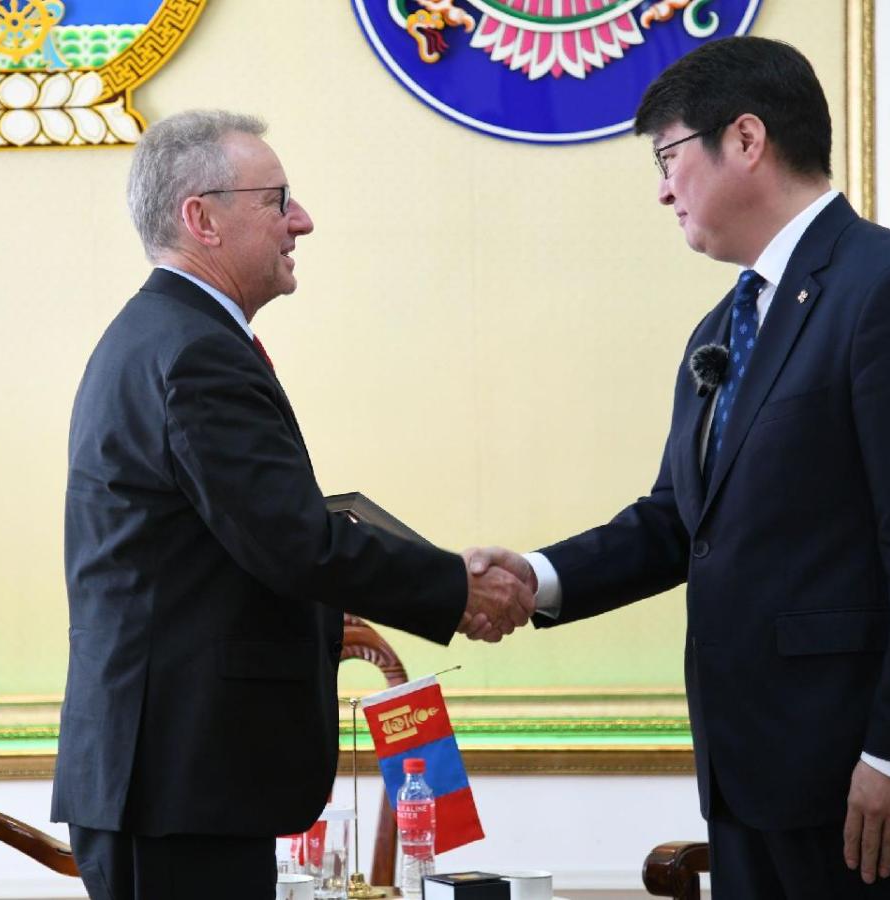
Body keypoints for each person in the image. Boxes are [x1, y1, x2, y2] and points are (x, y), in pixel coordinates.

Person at [467, 37, 890, 898]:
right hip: (748, 774)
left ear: (747, 138)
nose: (662, 189)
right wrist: (535, 577)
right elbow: (677, 521)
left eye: (668, 158)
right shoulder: (724, 325)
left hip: (863, 779)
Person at [51, 109, 535, 900]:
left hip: (174, 775)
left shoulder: (164, 335)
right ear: (202, 219)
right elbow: (293, 543)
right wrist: (458, 585)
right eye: (277, 199)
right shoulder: (195, 351)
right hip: (179, 779)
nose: (301, 220)